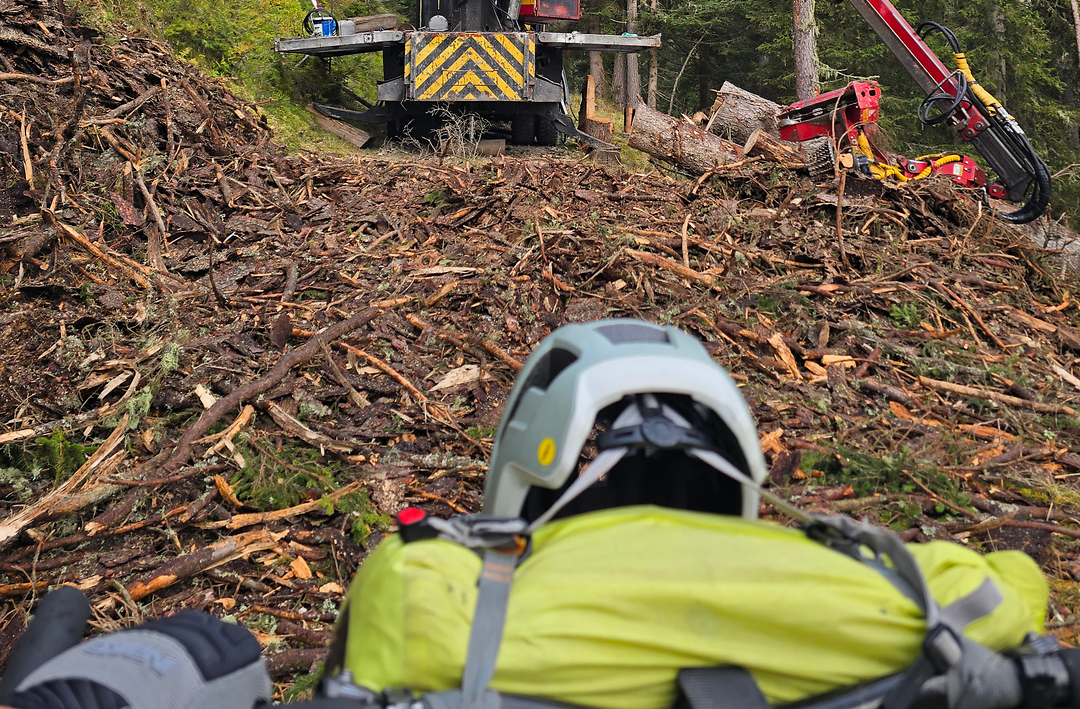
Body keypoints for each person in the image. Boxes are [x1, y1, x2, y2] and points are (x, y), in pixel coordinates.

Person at [2, 320, 1076, 709]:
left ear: (532, 453)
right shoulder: (913, 586)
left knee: (208, 661)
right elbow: (1015, 591)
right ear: (741, 462)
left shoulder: (430, 590)